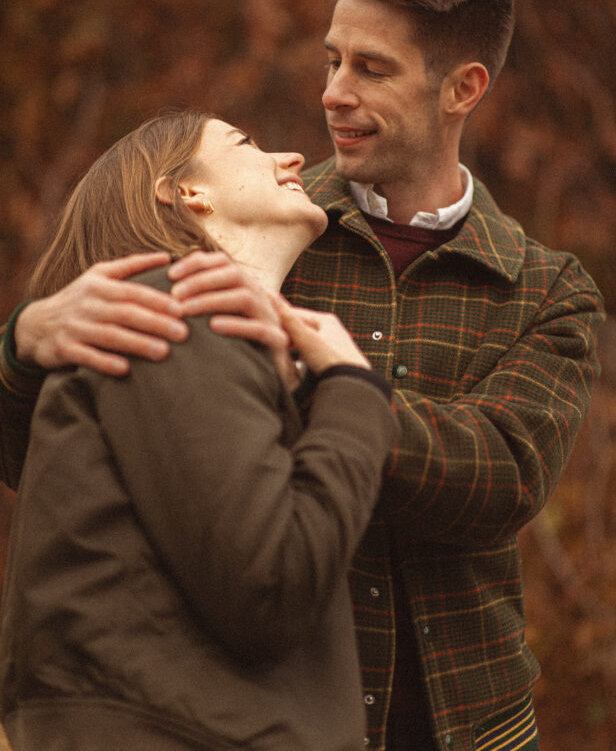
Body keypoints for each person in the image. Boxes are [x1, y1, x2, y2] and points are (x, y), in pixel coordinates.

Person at [0, 0, 605, 751]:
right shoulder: (253, 232)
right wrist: (21, 342)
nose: (332, 95)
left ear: (462, 89)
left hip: (460, 725)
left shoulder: (544, 288)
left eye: (371, 70)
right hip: (251, 713)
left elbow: (503, 475)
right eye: (331, 61)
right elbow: (59, 450)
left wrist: (333, 388)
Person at [0, 110, 398, 751]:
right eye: (246, 143)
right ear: (187, 193)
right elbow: (272, 589)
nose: (293, 159)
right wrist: (355, 395)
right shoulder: (173, 314)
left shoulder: (170, 332)